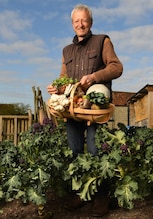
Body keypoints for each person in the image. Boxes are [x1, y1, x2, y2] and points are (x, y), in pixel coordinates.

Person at [47, 4, 123, 217]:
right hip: (73, 109)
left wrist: (94, 77)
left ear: (90, 22)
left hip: (94, 108)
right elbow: (64, 79)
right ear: (72, 24)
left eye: (84, 20)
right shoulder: (67, 51)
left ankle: (101, 197)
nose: (80, 24)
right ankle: (81, 193)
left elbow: (117, 67)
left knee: (96, 150)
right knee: (75, 152)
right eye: (76, 21)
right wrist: (57, 87)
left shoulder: (102, 41)